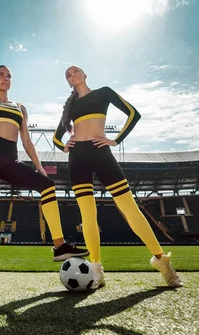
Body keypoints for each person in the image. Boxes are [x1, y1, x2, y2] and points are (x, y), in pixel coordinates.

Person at [53, 65, 183, 289]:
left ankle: (161, 260)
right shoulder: (71, 105)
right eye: (67, 75)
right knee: (87, 214)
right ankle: (96, 268)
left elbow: (133, 113)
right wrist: (65, 146)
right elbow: (57, 137)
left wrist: (116, 139)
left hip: (100, 151)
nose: (71, 75)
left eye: (74, 71)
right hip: (78, 158)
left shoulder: (104, 92)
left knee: (129, 207)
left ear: (85, 74)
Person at [0, 65, 89, 290]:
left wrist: (39, 167)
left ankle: (59, 245)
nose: (5, 78)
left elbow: (27, 141)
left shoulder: (20, 107)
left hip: (10, 159)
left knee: (47, 186)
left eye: (9, 75)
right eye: (0, 74)